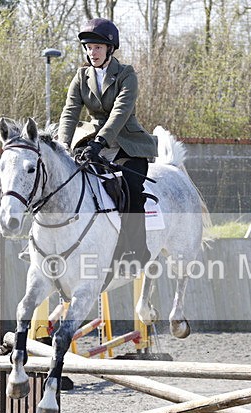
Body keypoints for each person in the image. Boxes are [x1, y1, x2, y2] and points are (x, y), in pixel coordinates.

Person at [57, 18, 156, 272]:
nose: (92, 52)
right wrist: (62, 146)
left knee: (132, 188)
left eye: (98, 48)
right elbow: (70, 112)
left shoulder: (126, 75)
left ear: (110, 49)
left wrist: (100, 142)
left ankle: (136, 250)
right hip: (91, 140)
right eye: (89, 48)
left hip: (127, 143)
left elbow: (120, 114)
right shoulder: (81, 77)